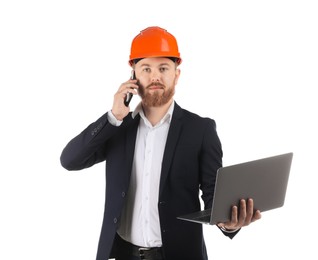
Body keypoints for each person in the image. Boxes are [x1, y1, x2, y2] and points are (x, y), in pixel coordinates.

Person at [60, 26, 261, 260]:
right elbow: (70, 160)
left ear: (176, 74)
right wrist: (113, 117)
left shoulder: (200, 130)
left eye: (163, 68)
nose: (155, 76)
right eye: (146, 68)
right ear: (133, 76)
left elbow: (213, 199)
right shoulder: (117, 128)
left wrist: (230, 222)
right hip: (123, 255)